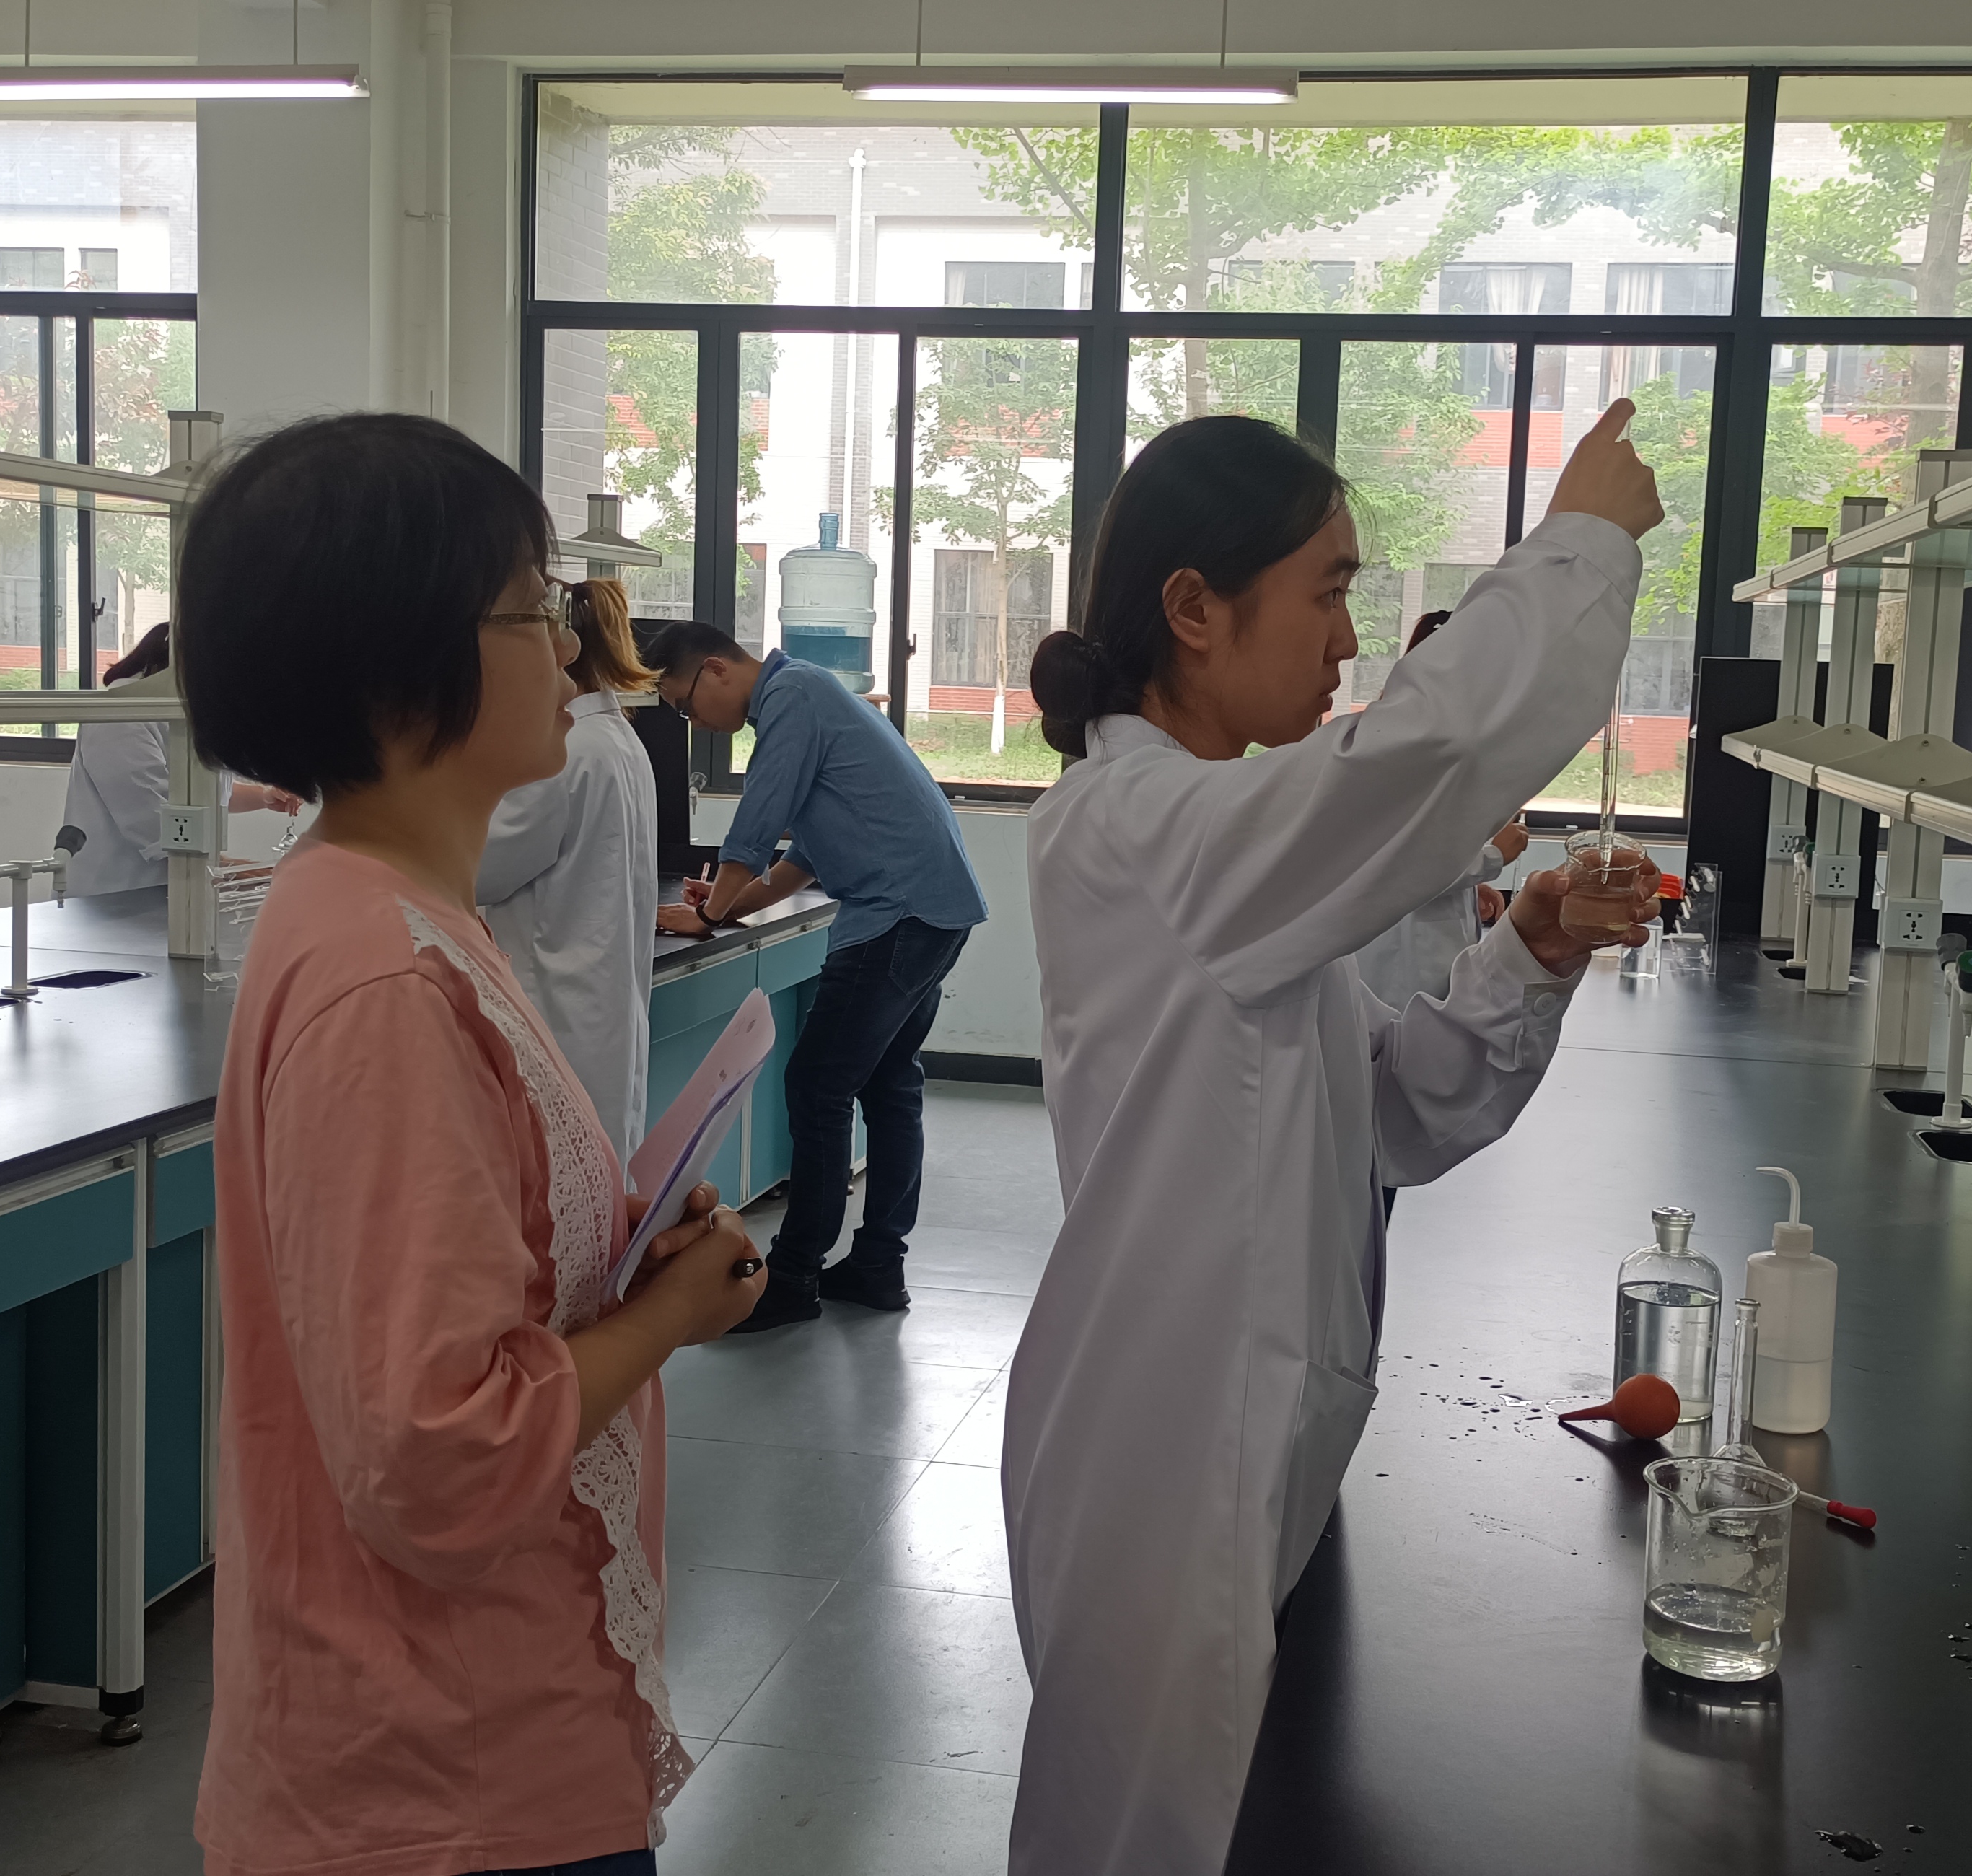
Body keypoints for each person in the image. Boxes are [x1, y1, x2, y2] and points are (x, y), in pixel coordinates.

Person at [1002, 406, 1665, 1876]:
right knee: (1125, 1846)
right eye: (1328, 590)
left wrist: (1528, 950)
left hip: (1238, 1434)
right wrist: (1577, 542)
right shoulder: (1140, 826)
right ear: (1193, 608)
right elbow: (1428, 753)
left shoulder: (1221, 858)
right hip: (1161, 1443)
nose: (1347, 639)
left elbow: (1399, 1104)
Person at [175, 412, 766, 1876]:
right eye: (529, 610)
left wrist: (622, 1262)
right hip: (443, 1787)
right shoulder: (382, 976)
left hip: (473, 1735)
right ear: (397, 669)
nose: (569, 652)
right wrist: (664, 1322)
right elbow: (437, 1455)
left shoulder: (401, 912)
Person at [644, 617, 989, 1331]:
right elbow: (805, 854)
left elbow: (756, 821)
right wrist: (729, 904)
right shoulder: (810, 691)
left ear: (716, 669)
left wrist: (709, 914)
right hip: (933, 908)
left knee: (817, 1085)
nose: (692, 722)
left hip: (897, 914)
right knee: (889, 1087)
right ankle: (878, 1266)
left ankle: (794, 1276)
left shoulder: (790, 697)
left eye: (683, 704)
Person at [476, 577, 662, 1154]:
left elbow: (478, 871)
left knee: (564, 1174)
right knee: (603, 1168)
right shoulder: (617, 738)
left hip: (562, 1008)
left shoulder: (566, 749)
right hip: (601, 1005)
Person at [1353, 613, 1531, 1012]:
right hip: (1399, 964)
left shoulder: (1436, 739)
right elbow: (1399, 863)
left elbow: (1431, 848)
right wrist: (1492, 857)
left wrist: (1469, 889)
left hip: (1426, 949)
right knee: (1407, 1039)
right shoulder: (1397, 744)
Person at [58, 622, 296, 896]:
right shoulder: (120, 716)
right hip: (116, 893)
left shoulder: (188, 713)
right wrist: (254, 873)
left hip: (171, 894)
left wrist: (264, 796)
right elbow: (159, 827)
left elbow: (201, 794)